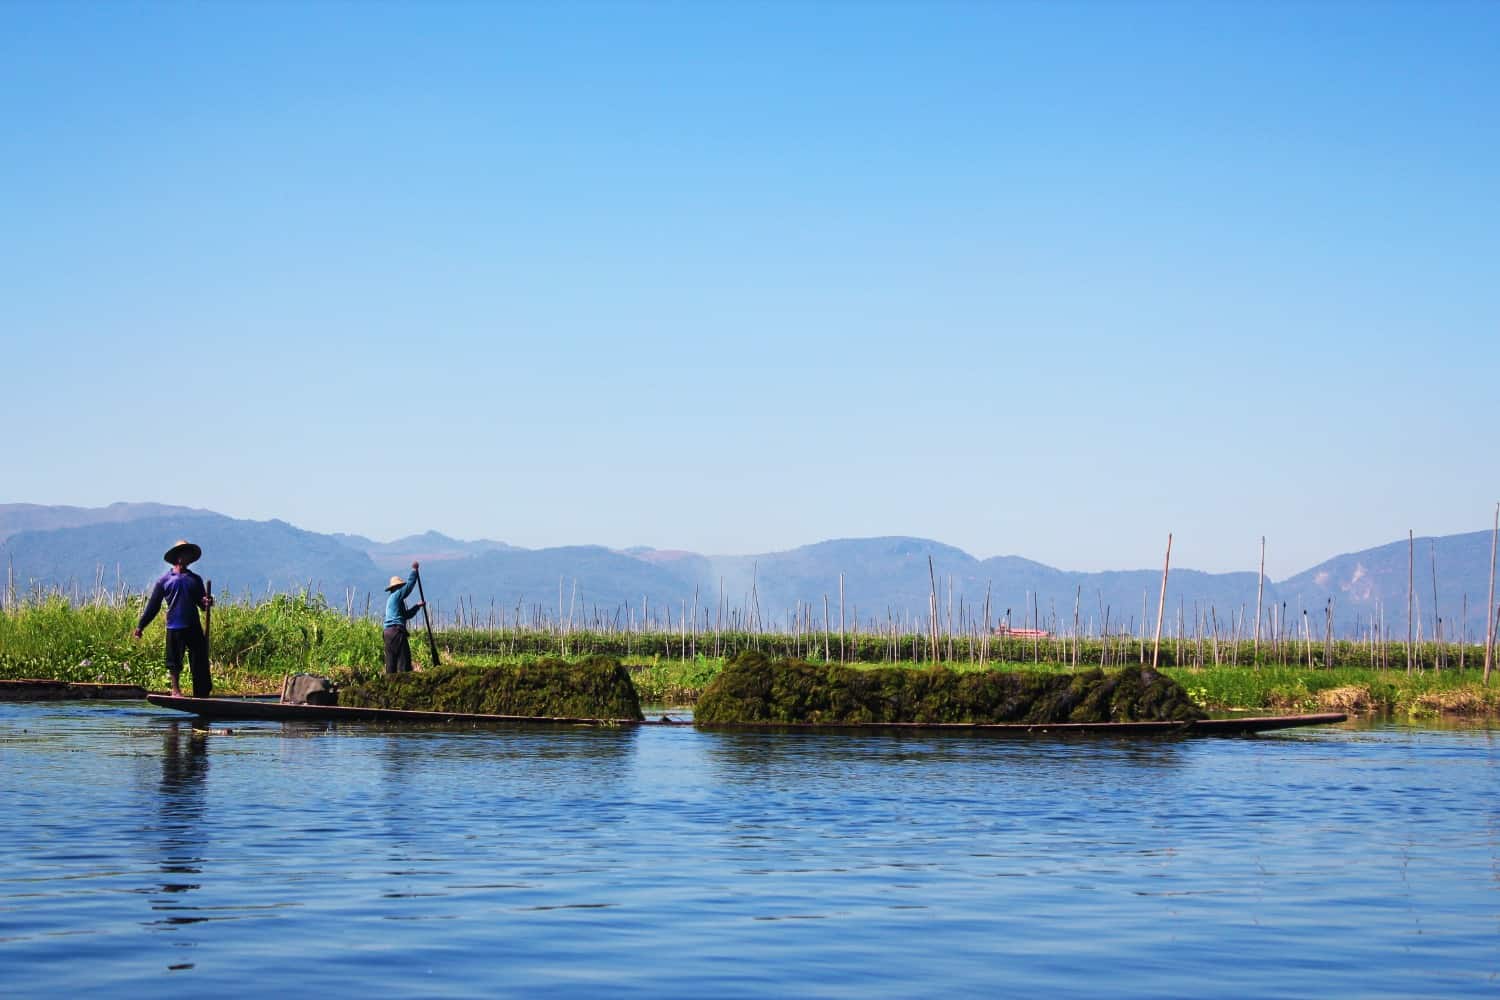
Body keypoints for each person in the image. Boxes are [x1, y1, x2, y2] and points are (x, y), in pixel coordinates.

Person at [133, 539, 215, 698]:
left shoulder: (195, 579)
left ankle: (202, 692)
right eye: (186, 554)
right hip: (174, 626)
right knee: (174, 661)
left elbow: (202, 605)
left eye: (191, 555)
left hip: (192, 625)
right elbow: (153, 606)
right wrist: (140, 626)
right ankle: (175, 691)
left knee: (199, 658)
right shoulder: (164, 581)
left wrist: (207, 602)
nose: (189, 557)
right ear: (178, 558)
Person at [383, 561, 426, 674]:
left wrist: (417, 606)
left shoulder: (395, 601)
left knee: (391, 664)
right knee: (404, 663)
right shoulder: (396, 595)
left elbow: (406, 615)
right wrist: (414, 571)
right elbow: (409, 586)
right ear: (397, 587)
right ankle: (404, 683)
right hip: (396, 632)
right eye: (400, 587)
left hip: (388, 633)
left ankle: (390, 684)